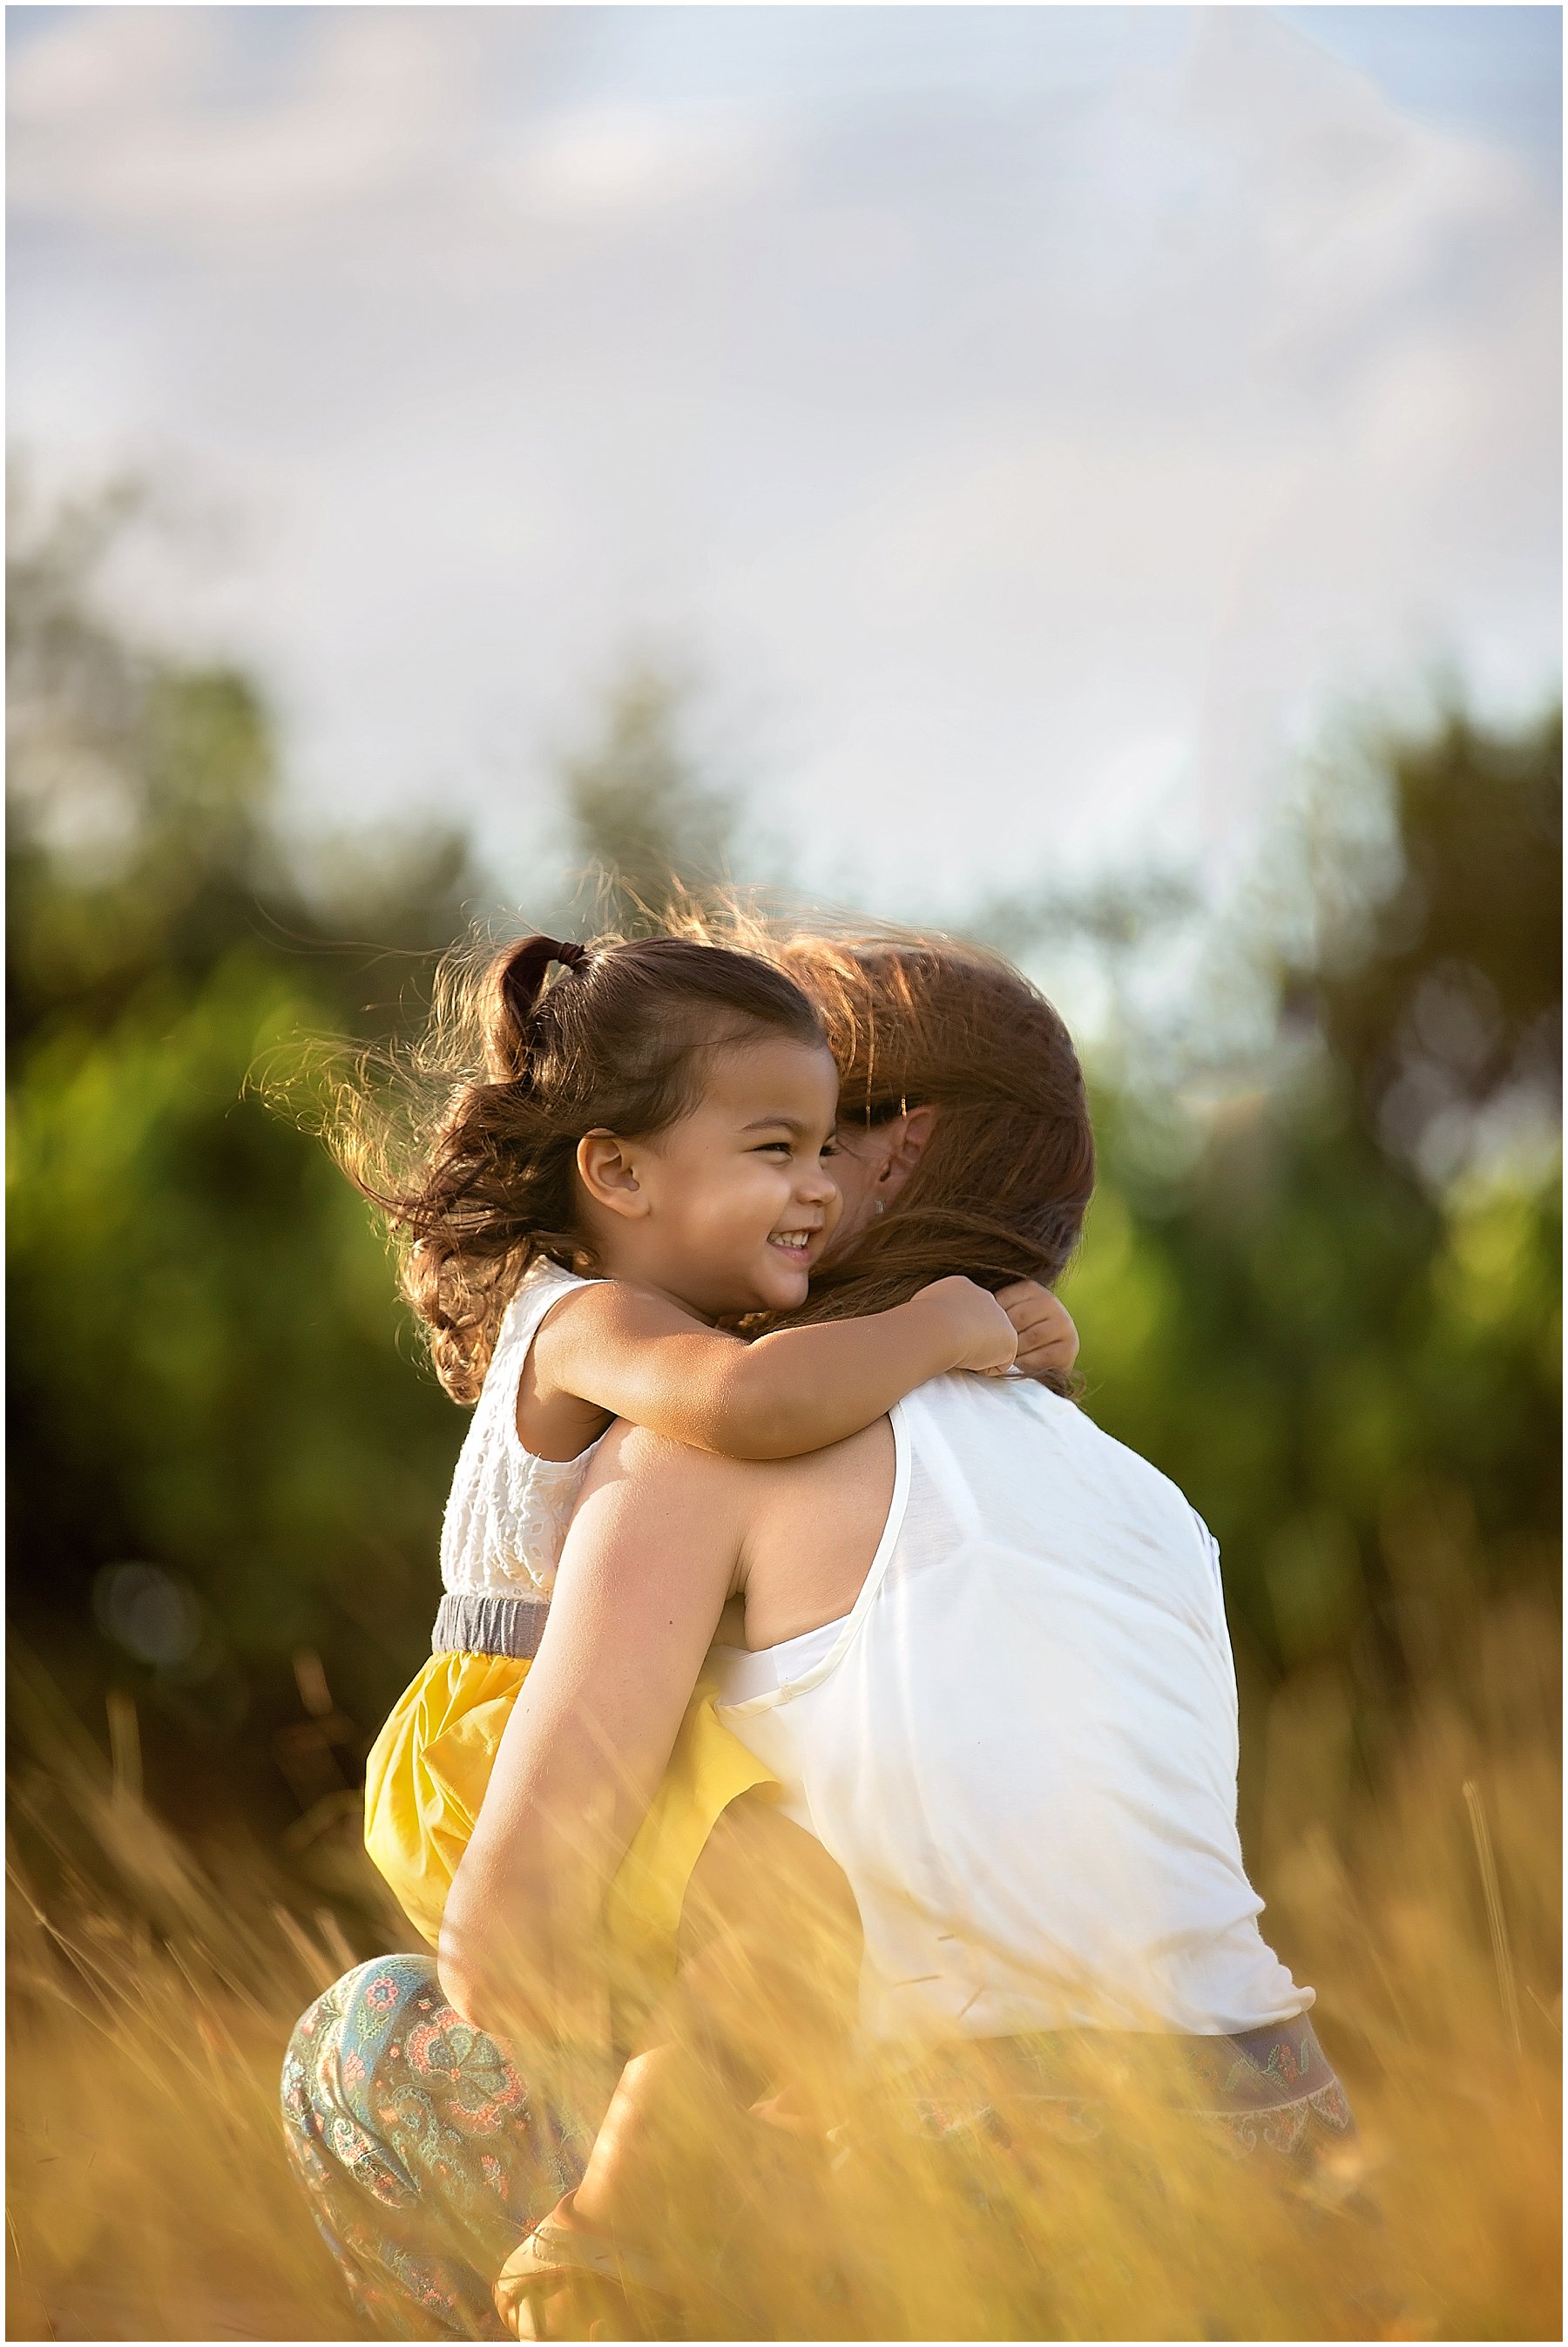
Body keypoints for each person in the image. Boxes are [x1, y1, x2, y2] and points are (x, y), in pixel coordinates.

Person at [282, 928, 1357, 2343]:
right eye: (761, 1140)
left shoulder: (692, 1446)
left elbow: (512, 1947)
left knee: (365, 2043)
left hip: (958, 2187)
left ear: (889, 1154)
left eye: (811, 1136)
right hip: (1280, 2160)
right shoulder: (1153, 1502)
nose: (791, 1182)